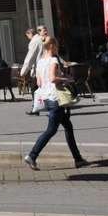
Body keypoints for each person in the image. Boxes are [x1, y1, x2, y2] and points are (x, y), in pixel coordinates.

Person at [24, 36, 87, 170]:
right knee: (51, 130)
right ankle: (32, 155)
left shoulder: (40, 62)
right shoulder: (53, 60)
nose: (58, 49)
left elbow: (39, 82)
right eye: (57, 46)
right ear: (52, 46)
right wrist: (67, 79)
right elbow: (53, 78)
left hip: (46, 98)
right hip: (55, 98)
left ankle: (78, 159)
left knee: (68, 126)